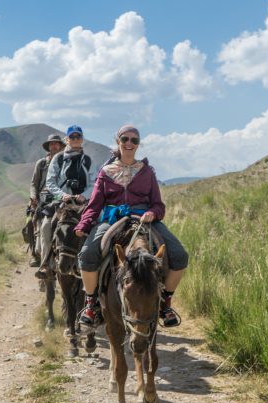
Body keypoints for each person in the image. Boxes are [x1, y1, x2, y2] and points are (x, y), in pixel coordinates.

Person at [74, 124, 188, 328]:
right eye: (125, 139)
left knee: (180, 255)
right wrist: (84, 223)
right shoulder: (105, 172)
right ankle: (91, 305)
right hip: (113, 218)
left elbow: (158, 204)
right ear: (118, 142)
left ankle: (165, 303)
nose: (129, 143)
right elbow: (95, 204)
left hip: (144, 218)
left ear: (138, 144)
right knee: (87, 255)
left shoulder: (147, 172)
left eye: (134, 140)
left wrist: (152, 213)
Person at [36, 125, 96, 281]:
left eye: (78, 137)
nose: (75, 140)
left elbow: (93, 183)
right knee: (46, 226)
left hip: (83, 204)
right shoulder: (58, 158)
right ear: (67, 139)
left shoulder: (88, 160)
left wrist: (83, 196)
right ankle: (46, 263)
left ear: (82, 139)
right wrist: (62, 195)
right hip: (61, 202)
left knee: (97, 226)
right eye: (72, 137)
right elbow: (50, 181)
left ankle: (96, 267)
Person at [29, 134, 65, 267]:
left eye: (56, 143)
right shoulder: (42, 163)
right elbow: (34, 183)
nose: (54, 146)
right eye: (51, 144)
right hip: (42, 199)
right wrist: (33, 197)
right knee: (32, 223)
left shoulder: (65, 163)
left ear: (61, 146)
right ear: (48, 147)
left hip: (60, 198)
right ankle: (37, 256)